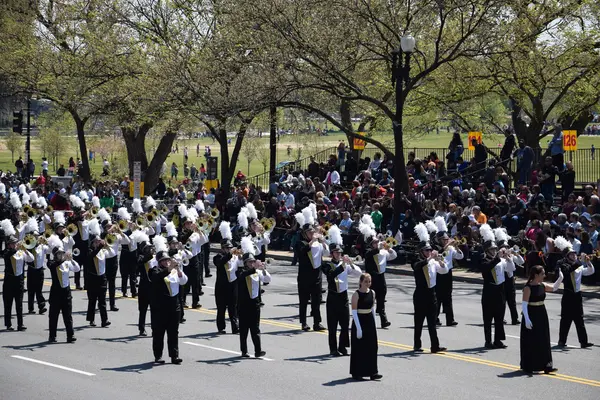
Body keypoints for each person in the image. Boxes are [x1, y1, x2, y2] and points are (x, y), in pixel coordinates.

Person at [321, 242, 362, 356]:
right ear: (332, 254)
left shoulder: (345, 265)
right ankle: (333, 348)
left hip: (343, 297)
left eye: (340, 252)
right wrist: (343, 265)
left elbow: (358, 274)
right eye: (336, 252)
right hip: (333, 297)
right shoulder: (327, 265)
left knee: (345, 324)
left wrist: (351, 263)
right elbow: (331, 275)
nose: (339, 254)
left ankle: (342, 346)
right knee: (332, 325)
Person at [413, 223, 448, 352]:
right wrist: (430, 259)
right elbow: (417, 266)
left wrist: (440, 261)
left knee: (432, 322)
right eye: (426, 250)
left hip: (432, 294)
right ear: (421, 252)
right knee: (419, 322)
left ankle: (435, 345)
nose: (429, 252)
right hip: (420, 295)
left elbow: (443, 271)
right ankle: (417, 344)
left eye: (429, 250)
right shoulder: (417, 260)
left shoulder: (433, 261)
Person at [554, 237, 595, 348]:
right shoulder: (564, 265)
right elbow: (567, 272)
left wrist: (588, 262)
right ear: (567, 256)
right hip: (568, 295)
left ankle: (583, 342)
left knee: (579, 320)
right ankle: (562, 341)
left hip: (577, 296)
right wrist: (579, 262)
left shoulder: (578, 265)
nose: (574, 256)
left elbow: (590, 272)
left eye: (574, 254)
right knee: (565, 320)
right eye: (571, 255)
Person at [520, 265, 562, 374]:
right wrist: (527, 319)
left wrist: (560, 278)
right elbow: (524, 305)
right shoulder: (528, 288)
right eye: (542, 273)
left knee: (543, 339)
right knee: (531, 341)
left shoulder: (542, 285)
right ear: (536, 275)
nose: (545, 275)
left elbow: (554, 288)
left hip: (541, 313)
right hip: (531, 314)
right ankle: (529, 365)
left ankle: (547, 365)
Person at [150, 250, 188, 364]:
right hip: (160, 307)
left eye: (168, 260)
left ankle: (174, 356)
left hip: (174, 305)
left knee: (173, 332)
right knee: (158, 332)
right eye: (164, 260)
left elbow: (183, 281)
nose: (167, 262)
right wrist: (169, 268)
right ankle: (158, 356)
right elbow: (156, 277)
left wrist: (179, 270)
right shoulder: (154, 270)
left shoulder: (174, 271)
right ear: (159, 262)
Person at [237, 252, 271, 358]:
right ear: (245, 263)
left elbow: (267, 279)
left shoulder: (257, 272)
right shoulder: (240, 271)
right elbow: (242, 276)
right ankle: (244, 351)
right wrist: (254, 269)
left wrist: (263, 269)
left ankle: (258, 351)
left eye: (253, 261)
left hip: (254, 304)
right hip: (243, 305)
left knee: (255, 328)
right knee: (244, 329)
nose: (252, 263)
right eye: (250, 262)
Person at [297, 221, 328, 331]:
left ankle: (317, 322)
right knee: (304, 301)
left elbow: (327, 253)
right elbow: (303, 251)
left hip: (316, 276)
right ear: (305, 234)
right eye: (309, 232)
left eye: (312, 231)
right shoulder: (301, 242)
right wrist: (314, 240)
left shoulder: (317, 244)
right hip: (304, 277)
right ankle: (304, 322)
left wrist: (322, 240)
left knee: (316, 301)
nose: (311, 233)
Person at [350, 273, 381, 381]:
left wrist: (374, 323)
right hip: (359, 320)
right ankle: (357, 372)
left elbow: (372, 308)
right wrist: (358, 328)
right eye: (366, 281)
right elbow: (354, 312)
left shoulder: (372, 293)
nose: (368, 284)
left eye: (369, 281)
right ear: (360, 282)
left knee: (372, 347)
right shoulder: (356, 295)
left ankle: (373, 372)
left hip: (369, 321)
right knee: (359, 348)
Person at [47, 246, 80, 343]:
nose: (61, 255)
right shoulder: (51, 263)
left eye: (62, 253)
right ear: (55, 255)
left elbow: (77, 269)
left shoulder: (66, 263)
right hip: (55, 294)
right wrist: (65, 259)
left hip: (66, 293)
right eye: (59, 253)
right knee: (53, 316)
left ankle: (70, 335)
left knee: (68, 316)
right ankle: (52, 336)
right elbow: (54, 266)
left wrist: (72, 260)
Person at [2, 236, 33, 331]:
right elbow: (8, 255)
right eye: (13, 243)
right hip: (9, 282)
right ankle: (8, 324)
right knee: (8, 303)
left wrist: (26, 250)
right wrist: (16, 249)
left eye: (16, 243)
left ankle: (20, 324)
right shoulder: (7, 252)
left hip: (19, 281)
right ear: (9, 245)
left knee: (19, 304)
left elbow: (31, 259)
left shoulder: (21, 252)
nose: (15, 245)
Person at [213, 238, 240, 334]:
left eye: (230, 248)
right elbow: (220, 263)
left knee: (233, 308)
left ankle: (235, 327)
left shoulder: (234, 257)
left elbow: (240, 265)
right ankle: (221, 327)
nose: (229, 249)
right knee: (221, 308)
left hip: (233, 285)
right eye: (227, 248)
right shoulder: (217, 257)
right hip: (221, 287)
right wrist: (230, 254)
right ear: (223, 248)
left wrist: (241, 256)